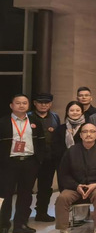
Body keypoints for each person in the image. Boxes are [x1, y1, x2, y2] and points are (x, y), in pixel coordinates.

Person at [52, 122, 96, 233]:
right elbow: (64, 174)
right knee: (62, 198)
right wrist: (76, 186)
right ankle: (63, 232)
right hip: (76, 186)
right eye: (85, 132)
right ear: (80, 135)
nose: (88, 134)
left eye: (92, 131)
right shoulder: (71, 151)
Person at [0, 94, 46, 233]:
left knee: (26, 194)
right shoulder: (3, 122)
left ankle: (20, 223)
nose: (21, 105)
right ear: (11, 105)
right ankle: (3, 225)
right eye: (18, 103)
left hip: (29, 162)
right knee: (5, 194)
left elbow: (41, 142)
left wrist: (39, 160)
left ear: (28, 105)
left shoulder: (34, 121)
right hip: (9, 162)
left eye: (24, 103)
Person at [30, 92, 59, 222]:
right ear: (35, 103)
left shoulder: (55, 117)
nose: (43, 105)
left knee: (45, 188)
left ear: (50, 104)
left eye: (46, 102)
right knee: (26, 188)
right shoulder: (28, 117)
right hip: (32, 158)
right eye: (40, 102)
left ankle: (41, 212)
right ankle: (23, 215)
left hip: (49, 159)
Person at [52, 101, 85, 174]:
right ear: (67, 112)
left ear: (82, 112)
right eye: (72, 110)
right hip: (63, 164)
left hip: (83, 165)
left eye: (78, 110)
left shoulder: (87, 128)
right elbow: (55, 147)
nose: (75, 112)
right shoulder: (60, 128)